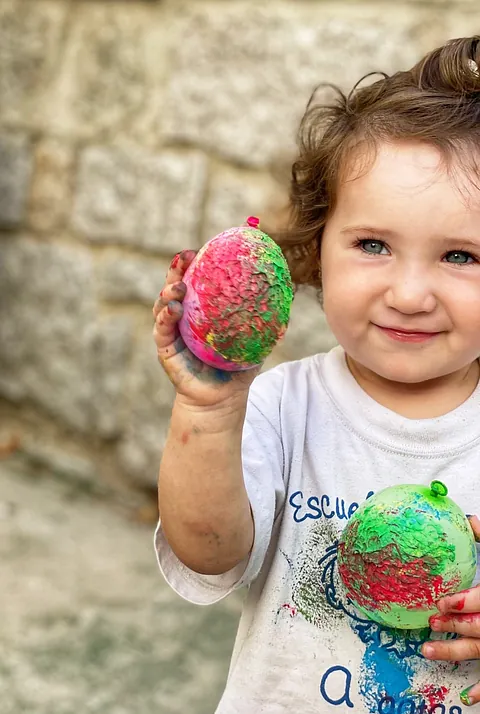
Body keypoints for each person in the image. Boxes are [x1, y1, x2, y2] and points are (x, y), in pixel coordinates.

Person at [152, 35, 480, 713]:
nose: (410, 293)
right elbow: (209, 554)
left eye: (460, 256)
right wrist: (211, 412)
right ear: (317, 246)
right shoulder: (283, 403)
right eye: (372, 245)